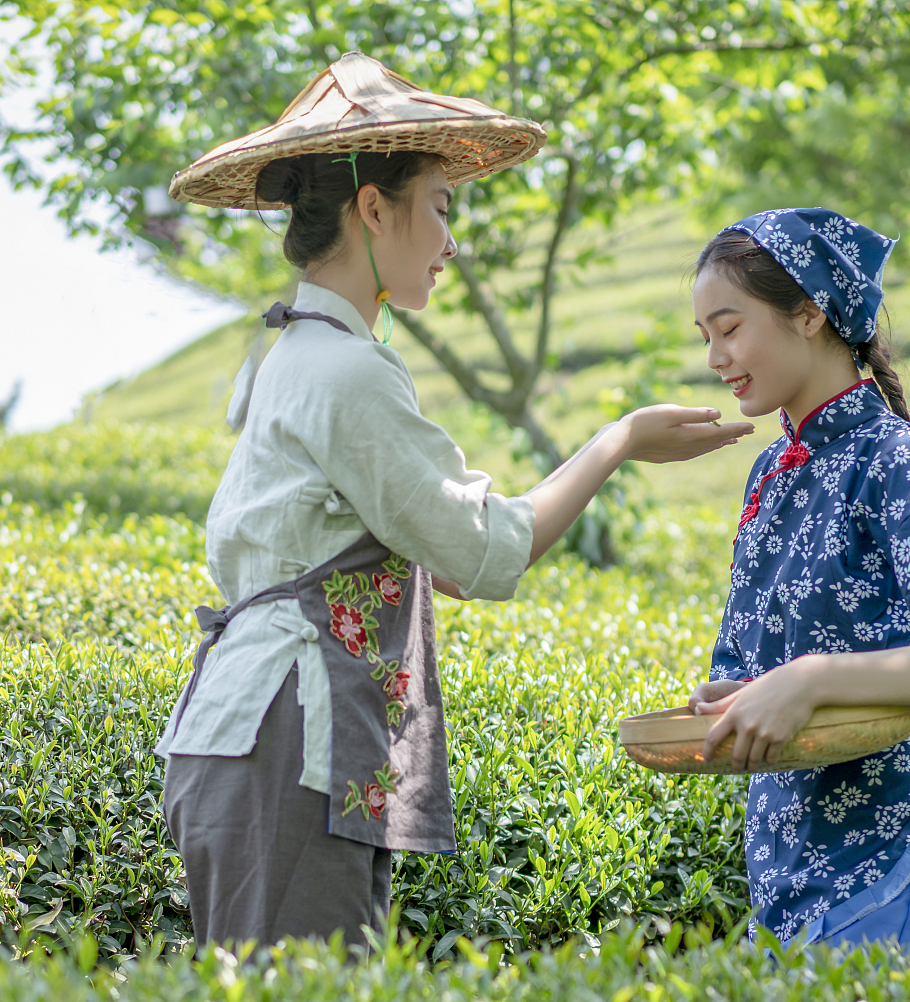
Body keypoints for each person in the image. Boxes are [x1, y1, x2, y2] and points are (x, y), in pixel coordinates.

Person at [156, 53, 754, 952]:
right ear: (371, 208)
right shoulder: (345, 367)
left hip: (246, 734)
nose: (450, 239)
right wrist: (620, 439)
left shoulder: (292, 354)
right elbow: (481, 553)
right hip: (287, 741)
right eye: (439, 206)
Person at [687, 208, 910, 950]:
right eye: (705, 335)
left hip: (894, 841)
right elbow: (759, 666)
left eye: (730, 327)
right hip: (785, 854)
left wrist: (807, 679)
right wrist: (741, 696)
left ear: (809, 314)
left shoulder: (897, 458)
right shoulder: (772, 470)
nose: (715, 355)